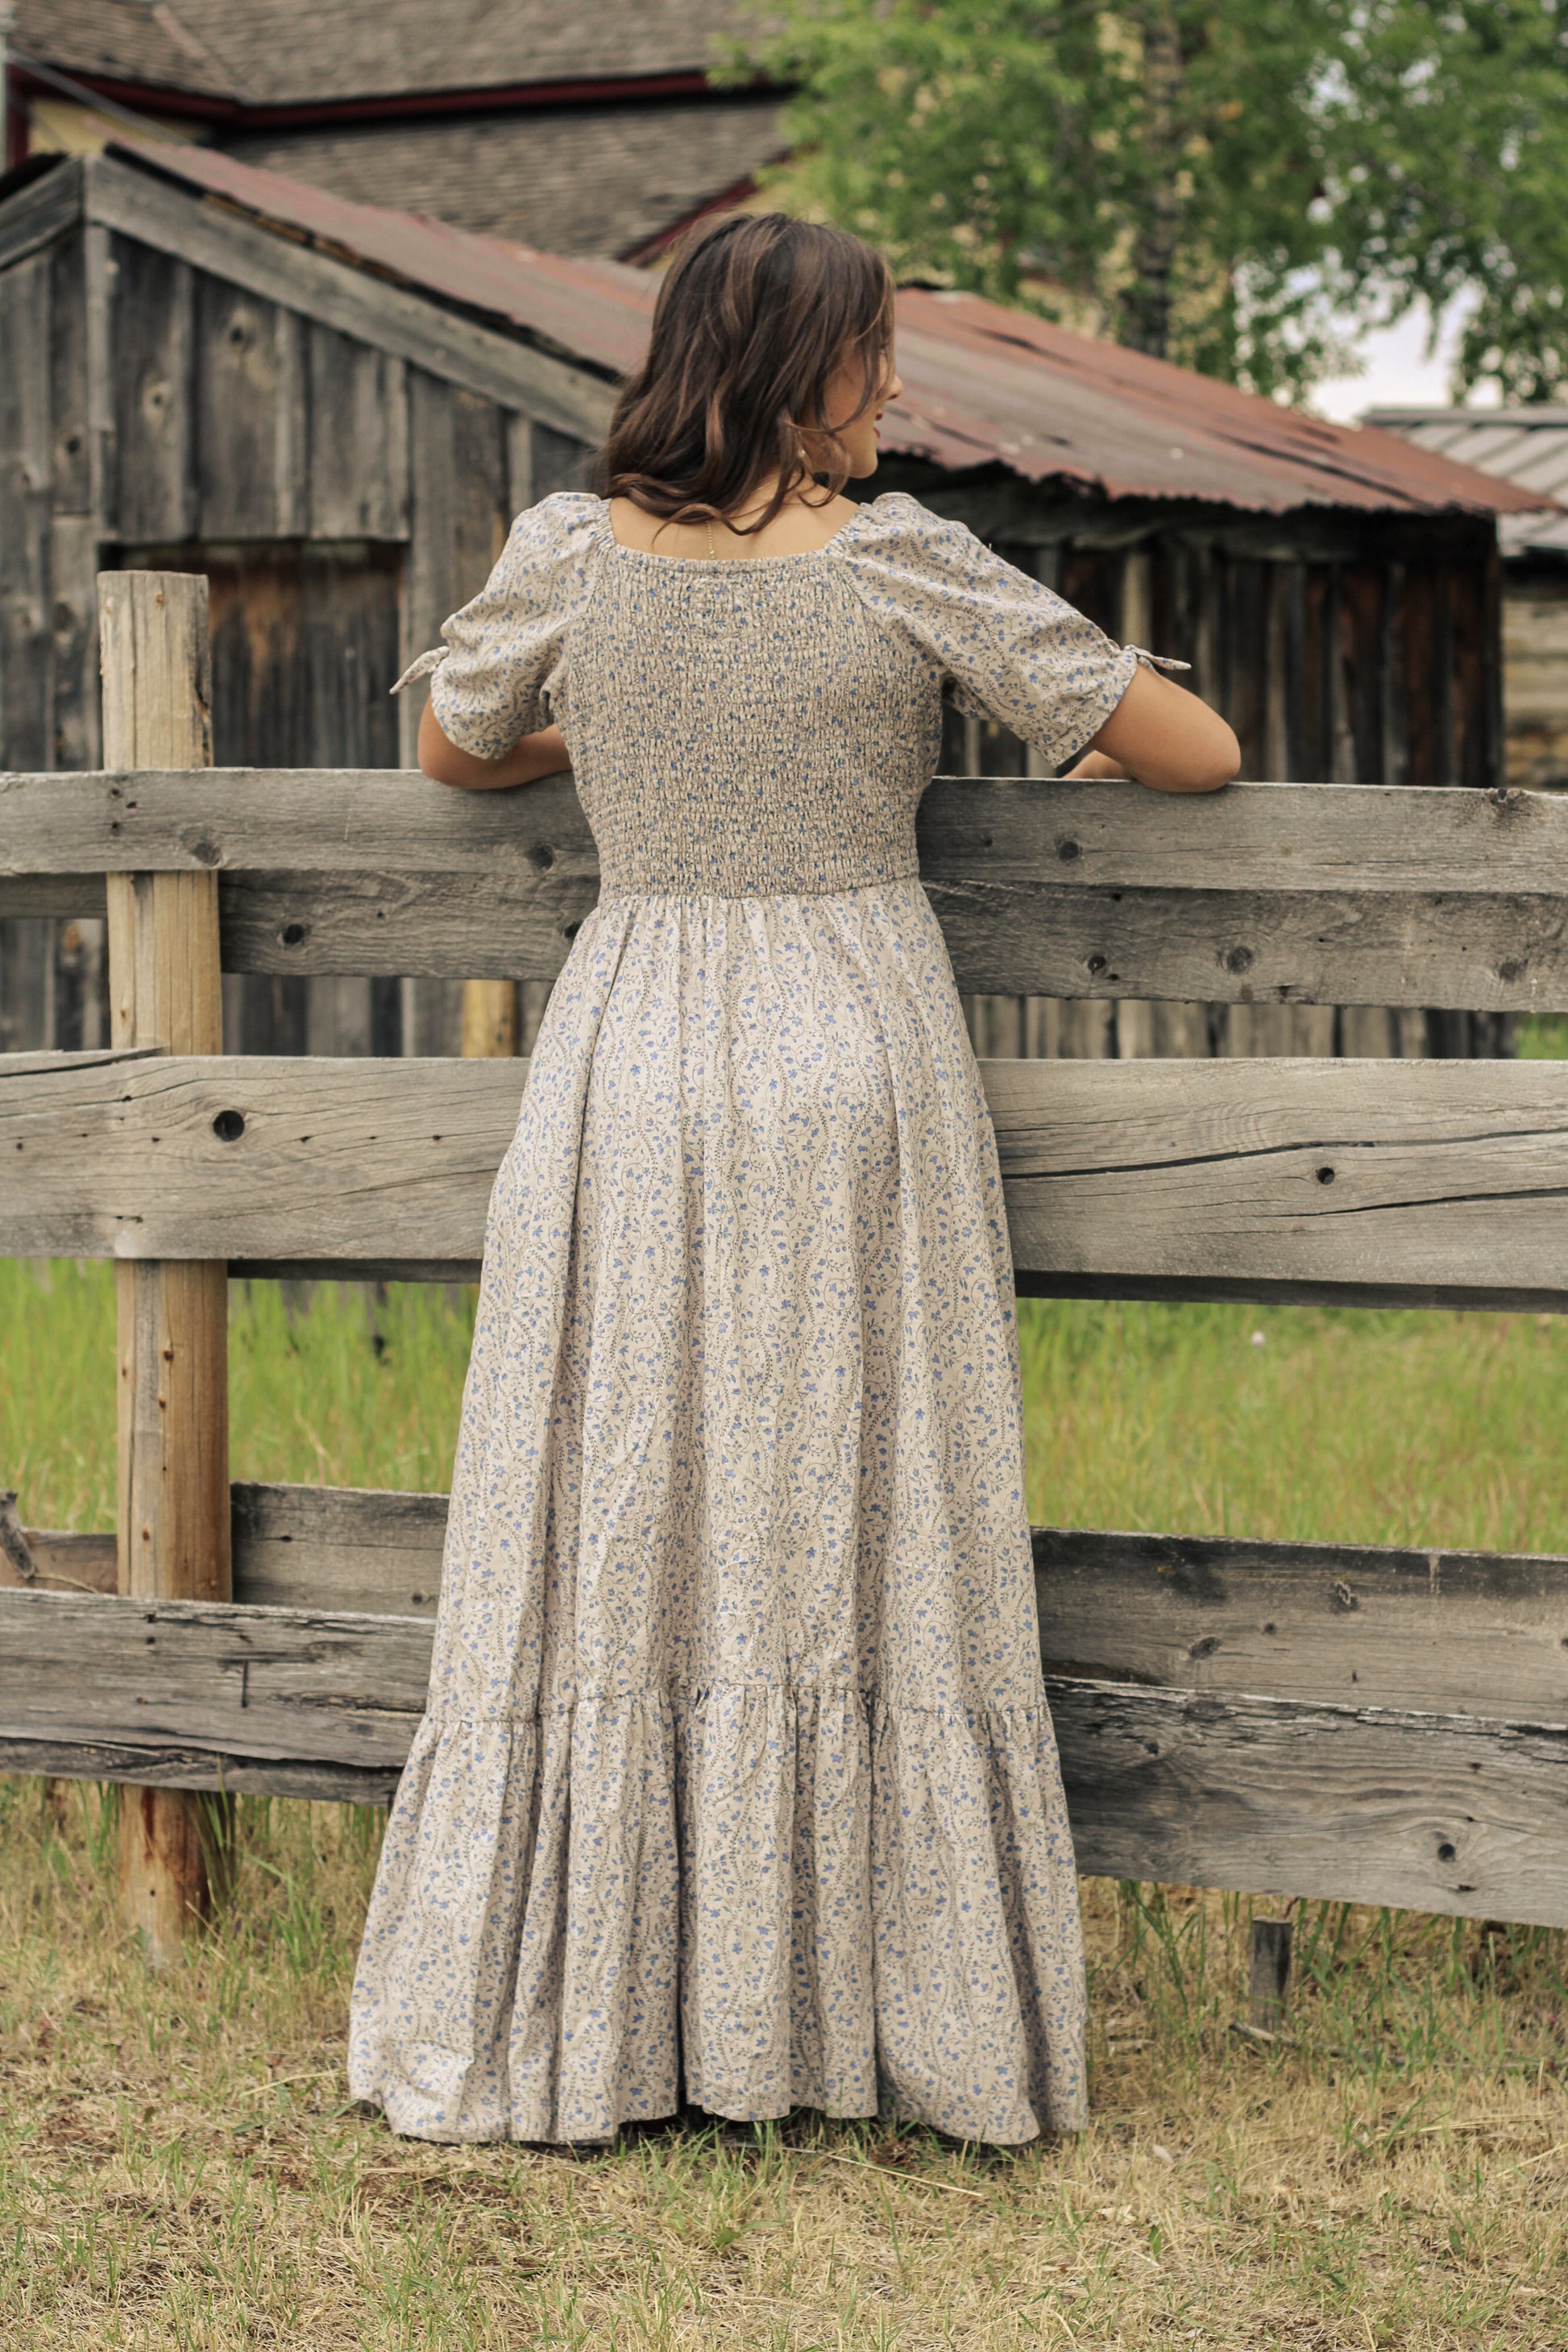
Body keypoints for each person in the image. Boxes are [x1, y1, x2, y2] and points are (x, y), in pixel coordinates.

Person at [348, 213, 1239, 2151]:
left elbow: (452, 741)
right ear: (793, 369)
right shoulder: (899, 552)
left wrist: (626, 730)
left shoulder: (568, 550)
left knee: (622, 1504)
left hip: (634, 1055)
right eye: (872, 358)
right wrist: (1036, 729)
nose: (891, 392)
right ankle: (853, 2007)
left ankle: (608, 2002)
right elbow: (1195, 746)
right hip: (849, 1046)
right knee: (855, 1508)